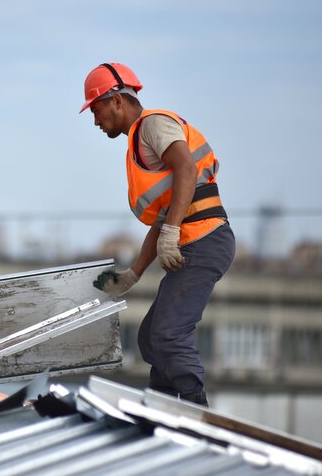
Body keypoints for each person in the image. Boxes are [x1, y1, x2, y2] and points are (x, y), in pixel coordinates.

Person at [81, 63, 235, 406]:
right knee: (151, 338)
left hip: (205, 238)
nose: (94, 120)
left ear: (117, 101)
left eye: (96, 109)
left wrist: (171, 231)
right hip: (195, 239)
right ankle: (163, 403)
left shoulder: (152, 126)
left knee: (168, 334)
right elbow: (165, 217)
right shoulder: (140, 142)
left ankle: (196, 410)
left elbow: (186, 167)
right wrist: (133, 274)